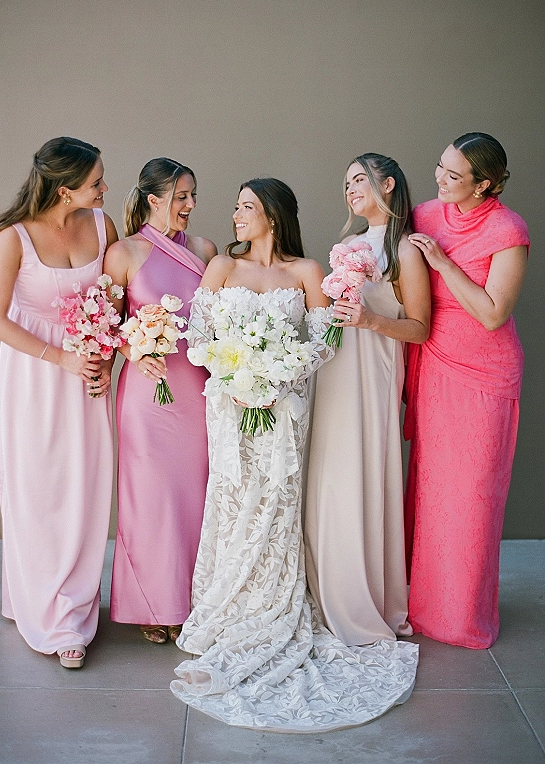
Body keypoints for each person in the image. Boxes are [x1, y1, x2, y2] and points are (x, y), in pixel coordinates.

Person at [170, 178, 419, 732]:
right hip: (231, 409)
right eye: (235, 205)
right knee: (232, 503)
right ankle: (227, 608)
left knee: (276, 509)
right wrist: (235, 375)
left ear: (273, 216)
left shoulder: (307, 272)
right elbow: (198, 337)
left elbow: (324, 341)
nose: (235, 215)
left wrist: (277, 377)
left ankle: (275, 609)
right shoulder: (223, 270)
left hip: (283, 412)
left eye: (246, 207)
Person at [0, 137, 118, 668]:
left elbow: (115, 296)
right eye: (96, 182)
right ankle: (42, 605)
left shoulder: (104, 226)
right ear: (66, 190)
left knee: (84, 485)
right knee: (37, 485)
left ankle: (75, 607)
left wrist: (107, 355)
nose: (105, 189)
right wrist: (58, 357)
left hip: (89, 375)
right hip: (35, 374)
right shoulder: (12, 238)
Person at [404, 132, 529, 649]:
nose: (440, 180)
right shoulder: (425, 215)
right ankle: (419, 602)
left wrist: (442, 264)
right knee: (432, 491)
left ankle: (461, 616)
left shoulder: (508, 230)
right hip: (434, 363)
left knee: (472, 497)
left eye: (454, 176)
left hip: (483, 374)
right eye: (440, 167)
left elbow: (492, 313)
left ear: (484, 185)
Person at [305, 153, 430, 646]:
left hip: (373, 374)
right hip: (335, 375)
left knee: (362, 473)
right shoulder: (347, 246)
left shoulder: (407, 251)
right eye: (347, 182)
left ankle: (365, 597)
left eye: (359, 179)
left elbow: (419, 327)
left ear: (389, 185)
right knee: (331, 475)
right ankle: (327, 586)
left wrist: (369, 321)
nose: (350, 189)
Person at [104, 158, 216, 645]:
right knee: (150, 498)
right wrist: (135, 346)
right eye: (182, 196)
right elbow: (107, 326)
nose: (191, 205)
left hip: (197, 389)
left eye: (193, 196)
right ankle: (152, 603)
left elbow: (219, 319)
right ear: (154, 200)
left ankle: (194, 600)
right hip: (147, 395)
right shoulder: (123, 253)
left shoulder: (208, 250)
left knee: (195, 494)